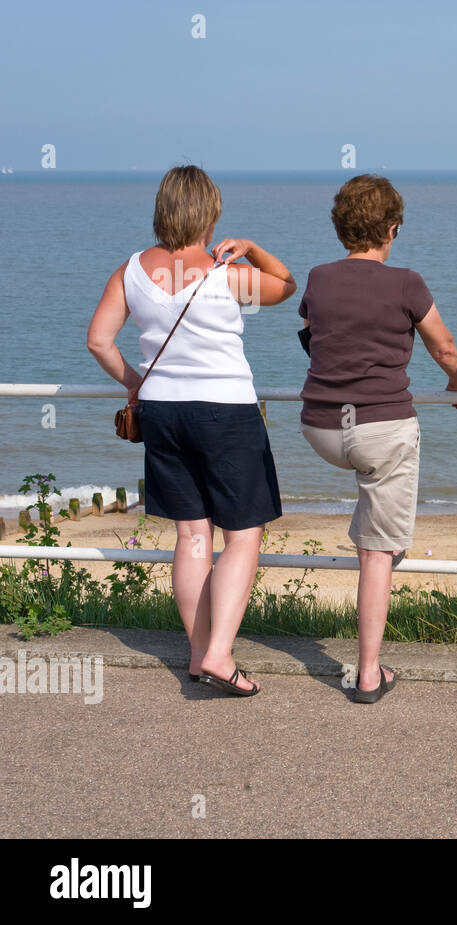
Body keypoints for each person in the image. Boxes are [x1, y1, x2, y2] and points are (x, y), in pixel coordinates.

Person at [87, 165, 296, 697]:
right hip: (226, 410)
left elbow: (99, 341)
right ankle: (222, 654)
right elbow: (288, 287)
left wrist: (137, 383)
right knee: (243, 534)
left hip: (162, 412)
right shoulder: (227, 275)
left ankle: (199, 654)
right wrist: (250, 247)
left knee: (192, 534)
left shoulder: (130, 270)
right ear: (211, 214)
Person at [298, 174, 457, 704]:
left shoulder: (319, 278)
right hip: (380, 428)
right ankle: (369, 673)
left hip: (322, 428)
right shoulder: (407, 283)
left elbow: (315, 336)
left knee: (373, 521)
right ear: (392, 229)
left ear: (340, 228)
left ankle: (374, 534)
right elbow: (443, 347)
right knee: (377, 553)